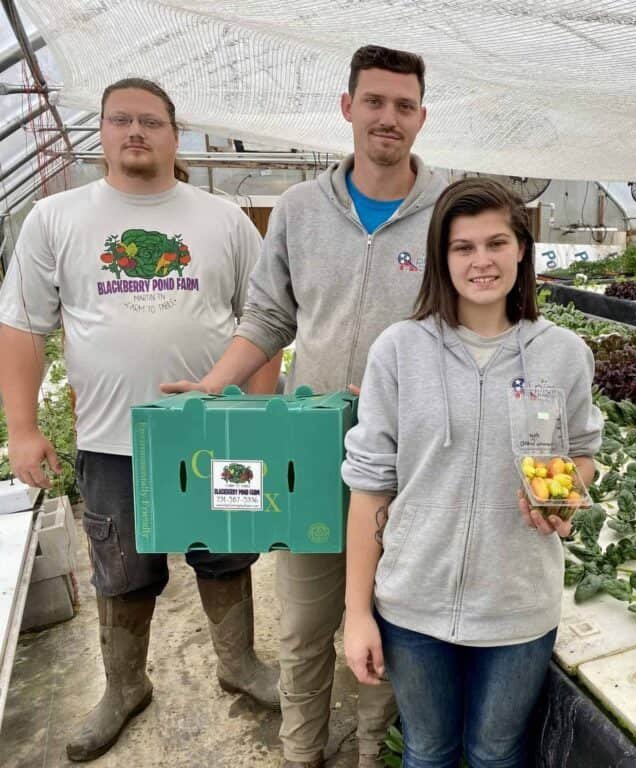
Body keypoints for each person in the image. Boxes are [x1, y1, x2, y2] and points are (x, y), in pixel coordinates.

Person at [161, 45, 446, 768]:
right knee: (304, 624)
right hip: (311, 455)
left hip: (411, 458)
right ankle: (301, 752)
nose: (389, 117)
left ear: (421, 117)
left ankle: (367, 749)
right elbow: (266, 318)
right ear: (348, 109)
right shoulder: (298, 210)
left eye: (403, 105)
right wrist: (213, 385)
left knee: (392, 619)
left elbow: (471, 323)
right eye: (374, 102)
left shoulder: (448, 211)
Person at [0, 78, 282, 762]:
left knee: (225, 553)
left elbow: (266, 320)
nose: (135, 131)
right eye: (121, 120)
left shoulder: (220, 218)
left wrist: (261, 416)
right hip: (110, 438)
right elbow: (21, 327)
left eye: (150, 121)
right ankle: (125, 686)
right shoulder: (57, 218)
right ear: (101, 130)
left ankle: (238, 664)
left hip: (216, 435)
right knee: (120, 568)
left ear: (173, 134)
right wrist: (24, 429)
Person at [341, 177, 604, 768]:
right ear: (442, 258)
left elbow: (583, 452)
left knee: (495, 753)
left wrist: (562, 494)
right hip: (413, 602)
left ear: (521, 251)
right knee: (428, 751)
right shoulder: (400, 349)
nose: (481, 261)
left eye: (496, 243)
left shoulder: (562, 352)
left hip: (517, 605)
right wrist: (357, 613)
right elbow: (368, 486)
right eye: (463, 247)